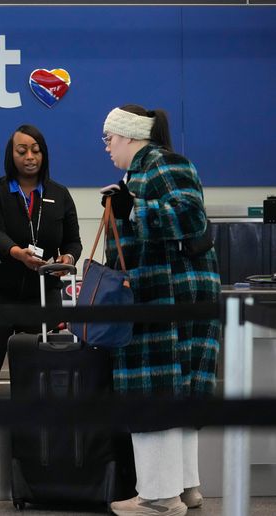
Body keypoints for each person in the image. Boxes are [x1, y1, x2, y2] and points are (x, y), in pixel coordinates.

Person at [101, 105, 219, 516]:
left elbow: (191, 217)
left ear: (130, 136)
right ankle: (185, 487)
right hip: (170, 293)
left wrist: (133, 208)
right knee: (177, 389)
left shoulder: (163, 164)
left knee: (152, 389)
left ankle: (158, 498)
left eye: (110, 139)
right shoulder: (146, 171)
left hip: (167, 297)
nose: (107, 148)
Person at [0, 125, 82, 397]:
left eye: (36, 150)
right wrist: (16, 253)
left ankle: (34, 436)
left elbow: (72, 241)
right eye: (22, 151)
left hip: (42, 296)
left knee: (40, 382)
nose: (30, 156)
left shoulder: (60, 194)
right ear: (11, 155)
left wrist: (67, 257)